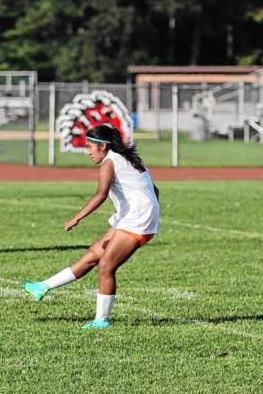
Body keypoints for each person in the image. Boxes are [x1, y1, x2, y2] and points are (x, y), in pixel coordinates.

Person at [23, 124, 160, 329]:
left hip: (137, 219)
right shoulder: (130, 159)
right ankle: (43, 287)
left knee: (106, 266)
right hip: (134, 216)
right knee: (93, 254)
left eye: (90, 147)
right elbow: (154, 190)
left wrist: (76, 218)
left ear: (103, 146)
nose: (88, 152)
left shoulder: (109, 163)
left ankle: (101, 321)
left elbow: (101, 194)